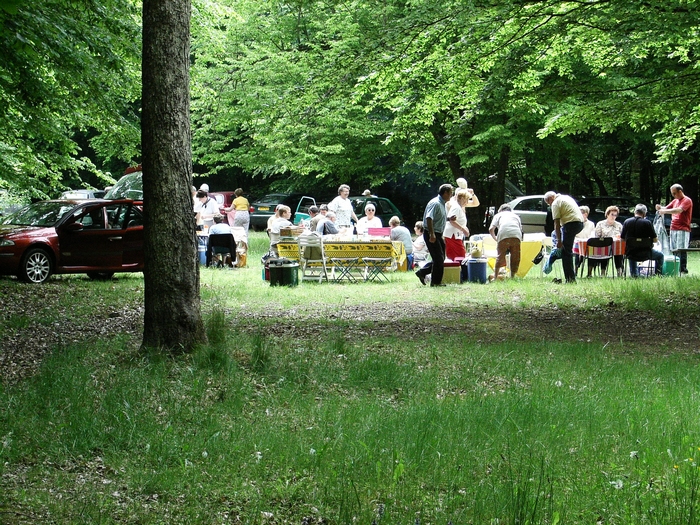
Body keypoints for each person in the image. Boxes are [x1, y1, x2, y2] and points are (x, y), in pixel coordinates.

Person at [415, 184, 453, 287]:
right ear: (445, 193)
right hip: (432, 233)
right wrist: (432, 234)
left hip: (438, 234)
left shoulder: (442, 204)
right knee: (438, 259)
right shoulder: (435, 203)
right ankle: (435, 282)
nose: (451, 195)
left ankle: (422, 272)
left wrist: (449, 219)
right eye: (450, 193)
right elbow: (429, 218)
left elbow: (438, 218)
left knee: (440, 258)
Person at [543, 191, 583, 283]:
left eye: (548, 203)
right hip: (579, 224)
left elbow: (556, 223)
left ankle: (570, 279)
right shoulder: (566, 197)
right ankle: (570, 278)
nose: (549, 205)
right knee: (567, 250)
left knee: (566, 252)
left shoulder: (555, 203)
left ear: (550, 199)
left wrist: (558, 241)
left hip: (570, 224)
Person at [657, 184, 693, 274]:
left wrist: (664, 211)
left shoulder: (687, 200)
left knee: (681, 249)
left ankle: (683, 269)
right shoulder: (675, 200)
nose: (673, 195)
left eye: (674, 193)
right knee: (673, 249)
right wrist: (660, 208)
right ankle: (675, 268)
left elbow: (678, 210)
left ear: (680, 191)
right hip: (673, 227)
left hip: (683, 228)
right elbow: (665, 208)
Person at [621, 204, 664, 277]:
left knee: (631, 250)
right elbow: (655, 240)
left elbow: (622, 239)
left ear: (635, 212)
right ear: (644, 213)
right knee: (660, 256)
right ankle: (657, 275)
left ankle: (634, 275)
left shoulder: (627, 222)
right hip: (646, 253)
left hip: (631, 253)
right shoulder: (647, 223)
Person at [488, 203, 523, 280]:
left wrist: (496, 238)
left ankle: (496, 276)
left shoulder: (498, 215)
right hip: (516, 235)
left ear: (500, 210)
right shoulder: (516, 216)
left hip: (503, 234)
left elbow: (491, 229)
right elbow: (520, 228)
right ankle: (512, 277)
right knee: (515, 256)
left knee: (500, 256)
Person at [589, 206, 623, 277]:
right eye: (612, 214)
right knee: (604, 249)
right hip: (603, 245)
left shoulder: (619, 225)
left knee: (619, 252)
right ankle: (603, 272)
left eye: (615, 215)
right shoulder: (600, 224)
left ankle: (619, 272)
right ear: (607, 214)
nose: (613, 217)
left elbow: (622, 236)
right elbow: (597, 237)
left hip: (616, 245)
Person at [443, 188, 471, 260]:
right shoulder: (456, 207)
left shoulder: (458, 207)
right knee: (461, 254)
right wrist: (463, 229)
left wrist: (464, 227)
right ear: (461, 198)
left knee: (453, 255)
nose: (467, 202)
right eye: (466, 199)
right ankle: (459, 269)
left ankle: (455, 269)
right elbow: (452, 221)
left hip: (454, 234)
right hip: (453, 234)